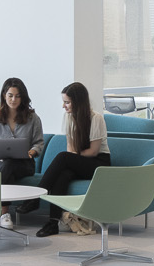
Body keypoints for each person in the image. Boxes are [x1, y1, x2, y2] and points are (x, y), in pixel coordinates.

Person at [36, 82, 109, 237]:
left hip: (98, 163)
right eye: (64, 102)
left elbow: (93, 151)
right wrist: (72, 160)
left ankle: (37, 194)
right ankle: (52, 223)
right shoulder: (68, 117)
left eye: (67, 102)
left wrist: (72, 159)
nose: (63, 106)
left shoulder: (96, 119)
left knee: (63, 157)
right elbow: (70, 148)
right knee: (63, 176)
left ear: (79, 102)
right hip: (80, 161)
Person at [0, 77, 45, 219]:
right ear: (4, 95)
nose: (14, 99)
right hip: (3, 164)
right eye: (10, 95)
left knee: (5, 168)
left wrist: (32, 152)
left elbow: (39, 143)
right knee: (7, 166)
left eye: (18, 96)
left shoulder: (33, 118)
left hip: (25, 164)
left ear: (23, 98)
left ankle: (1, 212)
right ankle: (4, 214)